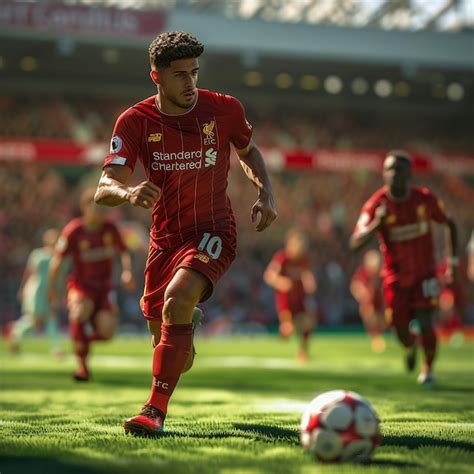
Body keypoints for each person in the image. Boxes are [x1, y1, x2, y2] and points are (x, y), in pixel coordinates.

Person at [94, 31, 277, 436]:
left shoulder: (224, 109)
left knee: (176, 300)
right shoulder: (135, 121)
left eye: (194, 72)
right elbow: (103, 189)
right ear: (156, 76)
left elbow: (248, 151)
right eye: (180, 75)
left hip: (214, 230)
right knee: (172, 344)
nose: (190, 83)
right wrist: (127, 191)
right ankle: (185, 328)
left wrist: (266, 192)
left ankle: (154, 411)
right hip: (164, 241)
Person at [350, 151, 457, 386]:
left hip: (425, 274)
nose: (393, 173)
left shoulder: (425, 200)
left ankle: (428, 370)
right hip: (395, 278)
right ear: (383, 174)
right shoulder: (375, 205)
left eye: (398, 169)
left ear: (409, 174)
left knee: (427, 322)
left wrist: (453, 261)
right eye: (389, 169)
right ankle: (410, 346)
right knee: (399, 329)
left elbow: (450, 224)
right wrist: (376, 225)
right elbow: (355, 243)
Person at [48, 188, 135, 381]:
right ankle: (82, 367)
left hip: (105, 289)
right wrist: (53, 290)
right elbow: (57, 261)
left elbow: (123, 251)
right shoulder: (74, 230)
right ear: (85, 207)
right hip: (81, 287)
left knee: (108, 332)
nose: (99, 211)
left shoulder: (110, 229)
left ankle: (81, 341)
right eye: (95, 206)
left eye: (102, 208)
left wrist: (127, 272)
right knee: (80, 311)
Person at [7, 228, 63, 355]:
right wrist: (22, 289)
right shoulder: (38, 255)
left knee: (49, 318)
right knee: (36, 321)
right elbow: (29, 273)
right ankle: (16, 332)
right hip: (37, 292)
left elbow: (60, 278)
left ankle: (55, 348)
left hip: (50, 291)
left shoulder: (59, 257)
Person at [264, 228, 316, 361]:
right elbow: (269, 276)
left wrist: (309, 282)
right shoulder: (281, 258)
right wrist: (281, 282)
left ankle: (303, 352)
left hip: (300, 298)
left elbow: (307, 274)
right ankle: (285, 330)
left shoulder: (303, 259)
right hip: (285, 299)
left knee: (308, 323)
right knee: (289, 328)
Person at [350, 249, 386, 353]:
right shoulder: (363, 273)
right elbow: (355, 285)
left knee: (382, 323)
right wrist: (363, 294)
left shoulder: (381, 272)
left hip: (380, 302)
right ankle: (375, 338)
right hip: (368, 303)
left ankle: (377, 336)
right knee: (370, 317)